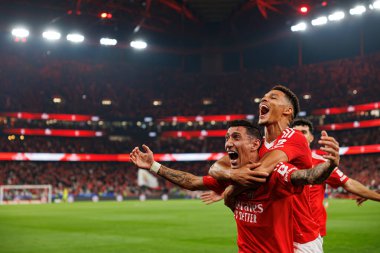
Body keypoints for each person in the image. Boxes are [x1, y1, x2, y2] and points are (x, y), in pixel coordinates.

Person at [130, 120, 339, 253]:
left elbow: (307, 176)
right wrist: (153, 166)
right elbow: (192, 181)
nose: (228, 143)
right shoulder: (230, 177)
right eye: (227, 138)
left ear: (255, 144)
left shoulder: (275, 172)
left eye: (236, 137)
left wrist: (330, 165)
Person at [208, 85, 340, 252]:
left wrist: (229, 191)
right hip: (274, 237)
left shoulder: (294, 137)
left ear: (287, 110)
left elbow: (260, 173)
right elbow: (215, 167)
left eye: (273, 97)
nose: (264, 99)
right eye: (264, 97)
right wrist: (227, 173)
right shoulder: (259, 143)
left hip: (301, 238)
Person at [291, 118, 380, 237]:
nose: (299, 136)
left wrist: (375, 196)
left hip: (310, 233)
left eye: (304, 132)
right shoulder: (278, 162)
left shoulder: (322, 163)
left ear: (311, 138)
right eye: (295, 133)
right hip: (283, 229)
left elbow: (349, 183)